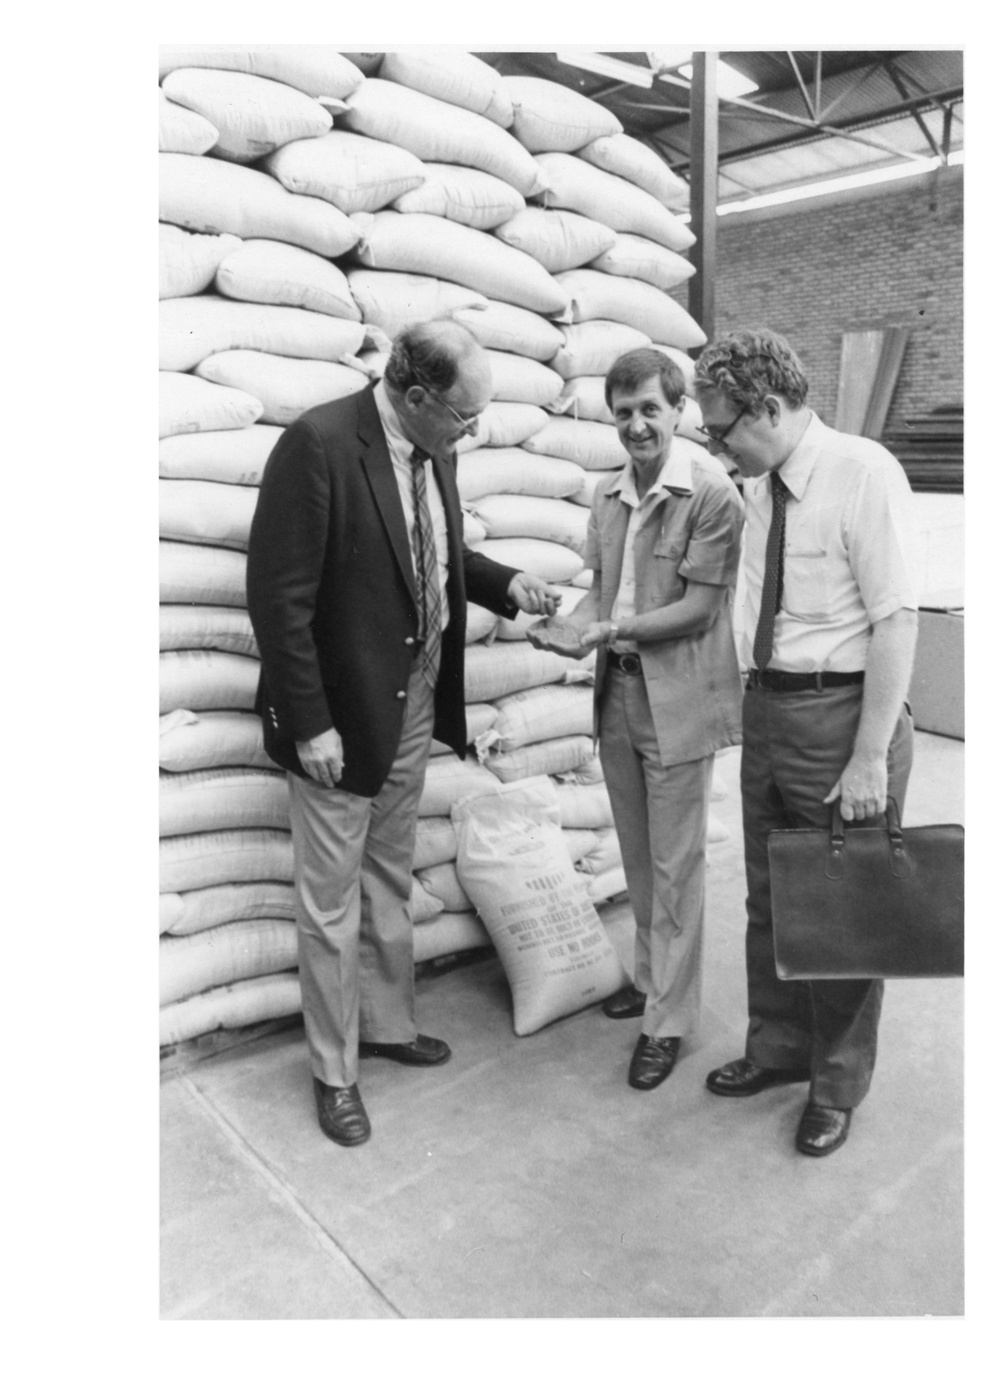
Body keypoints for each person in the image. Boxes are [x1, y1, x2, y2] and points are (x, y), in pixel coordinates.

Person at [246, 320, 561, 1147]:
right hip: (340, 717)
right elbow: (279, 602)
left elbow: (436, 554)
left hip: (413, 694)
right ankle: (334, 1072)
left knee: (389, 871)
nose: (472, 431)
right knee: (329, 899)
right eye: (464, 416)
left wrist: (503, 584)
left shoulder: (433, 449)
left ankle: (386, 1023)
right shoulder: (318, 445)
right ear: (416, 396)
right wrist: (308, 722)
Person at [693, 328, 918, 1158]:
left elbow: (898, 619)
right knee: (771, 900)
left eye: (723, 430)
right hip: (771, 710)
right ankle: (779, 1050)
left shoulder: (864, 474)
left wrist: (868, 756)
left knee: (843, 912)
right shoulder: (758, 489)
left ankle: (837, 1082)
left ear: (774, 409)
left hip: (843, 713)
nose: (716, 448)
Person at [528, 348, 744, 1091]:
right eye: (623, 412)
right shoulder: (607, 494)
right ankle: (655, 984)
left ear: (679, 411)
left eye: (650, 408)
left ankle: (670, 1023)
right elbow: (600, 596)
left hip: (680, 697)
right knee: (640, 853)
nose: (636, 425)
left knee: (677, 865)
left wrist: (608, 632)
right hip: (618, 691)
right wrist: (568, 626)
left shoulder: (712, 493)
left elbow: (699, 609)